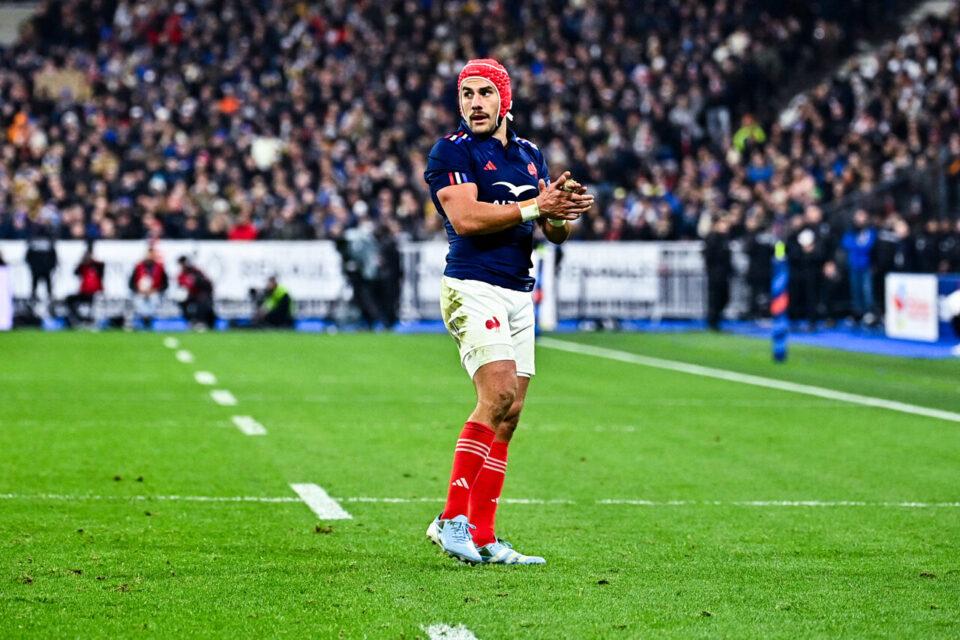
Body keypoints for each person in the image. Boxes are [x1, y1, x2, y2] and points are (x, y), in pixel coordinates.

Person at [422, 58, 592, 565]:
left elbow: (552, 231)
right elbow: (465, 218)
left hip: (519, 290)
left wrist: (559, 210)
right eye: (467, 94)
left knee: (510, 414)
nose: (475, 103)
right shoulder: (451, 151)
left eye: (485, 93)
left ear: (505, 99)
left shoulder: (530, 154)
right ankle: (450, 522)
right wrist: (538, 207)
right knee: (496, 394)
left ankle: (483, 534)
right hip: (472, 286)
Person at [703, 216, 732, 330]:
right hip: (715, 272)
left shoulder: (725, 238)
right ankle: (712, 322)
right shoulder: (712, 237)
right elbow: (709, 256)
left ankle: (715, 319)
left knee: (724, 297)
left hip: (723, 273)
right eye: (723, 223)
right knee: (715, 298)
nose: (726, 225)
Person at [128, 245, 168, 328]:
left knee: (154, 300)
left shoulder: (160, 267)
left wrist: (155, 290)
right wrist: (138, 290)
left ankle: (148, 320)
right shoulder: (138, 267)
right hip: (140, 292)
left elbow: (165, 284)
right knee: (139, 301)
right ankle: (145, 319)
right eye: (148, 254)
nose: (150, 257)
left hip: (154, 292)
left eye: (152, 255)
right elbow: (131, 283)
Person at [65, 248, 104, 326]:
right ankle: (78, 318)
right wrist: (82, 262)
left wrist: (92, 261)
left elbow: (101, 267)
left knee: (92, 304)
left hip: (94, 292)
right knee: (69, 299)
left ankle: (88, 320)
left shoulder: (96, 266)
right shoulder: (83, 266)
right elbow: (75, 272)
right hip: (84, 292)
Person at [176, 256, 216, 329]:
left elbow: (207, 283)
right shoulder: (181, 275)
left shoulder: (196, 272)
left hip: (202, 294)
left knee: (203, 302)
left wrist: (197, 281)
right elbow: (182, 285)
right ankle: (192, 321)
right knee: (182, 303)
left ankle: (201, 322)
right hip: (191, 295)